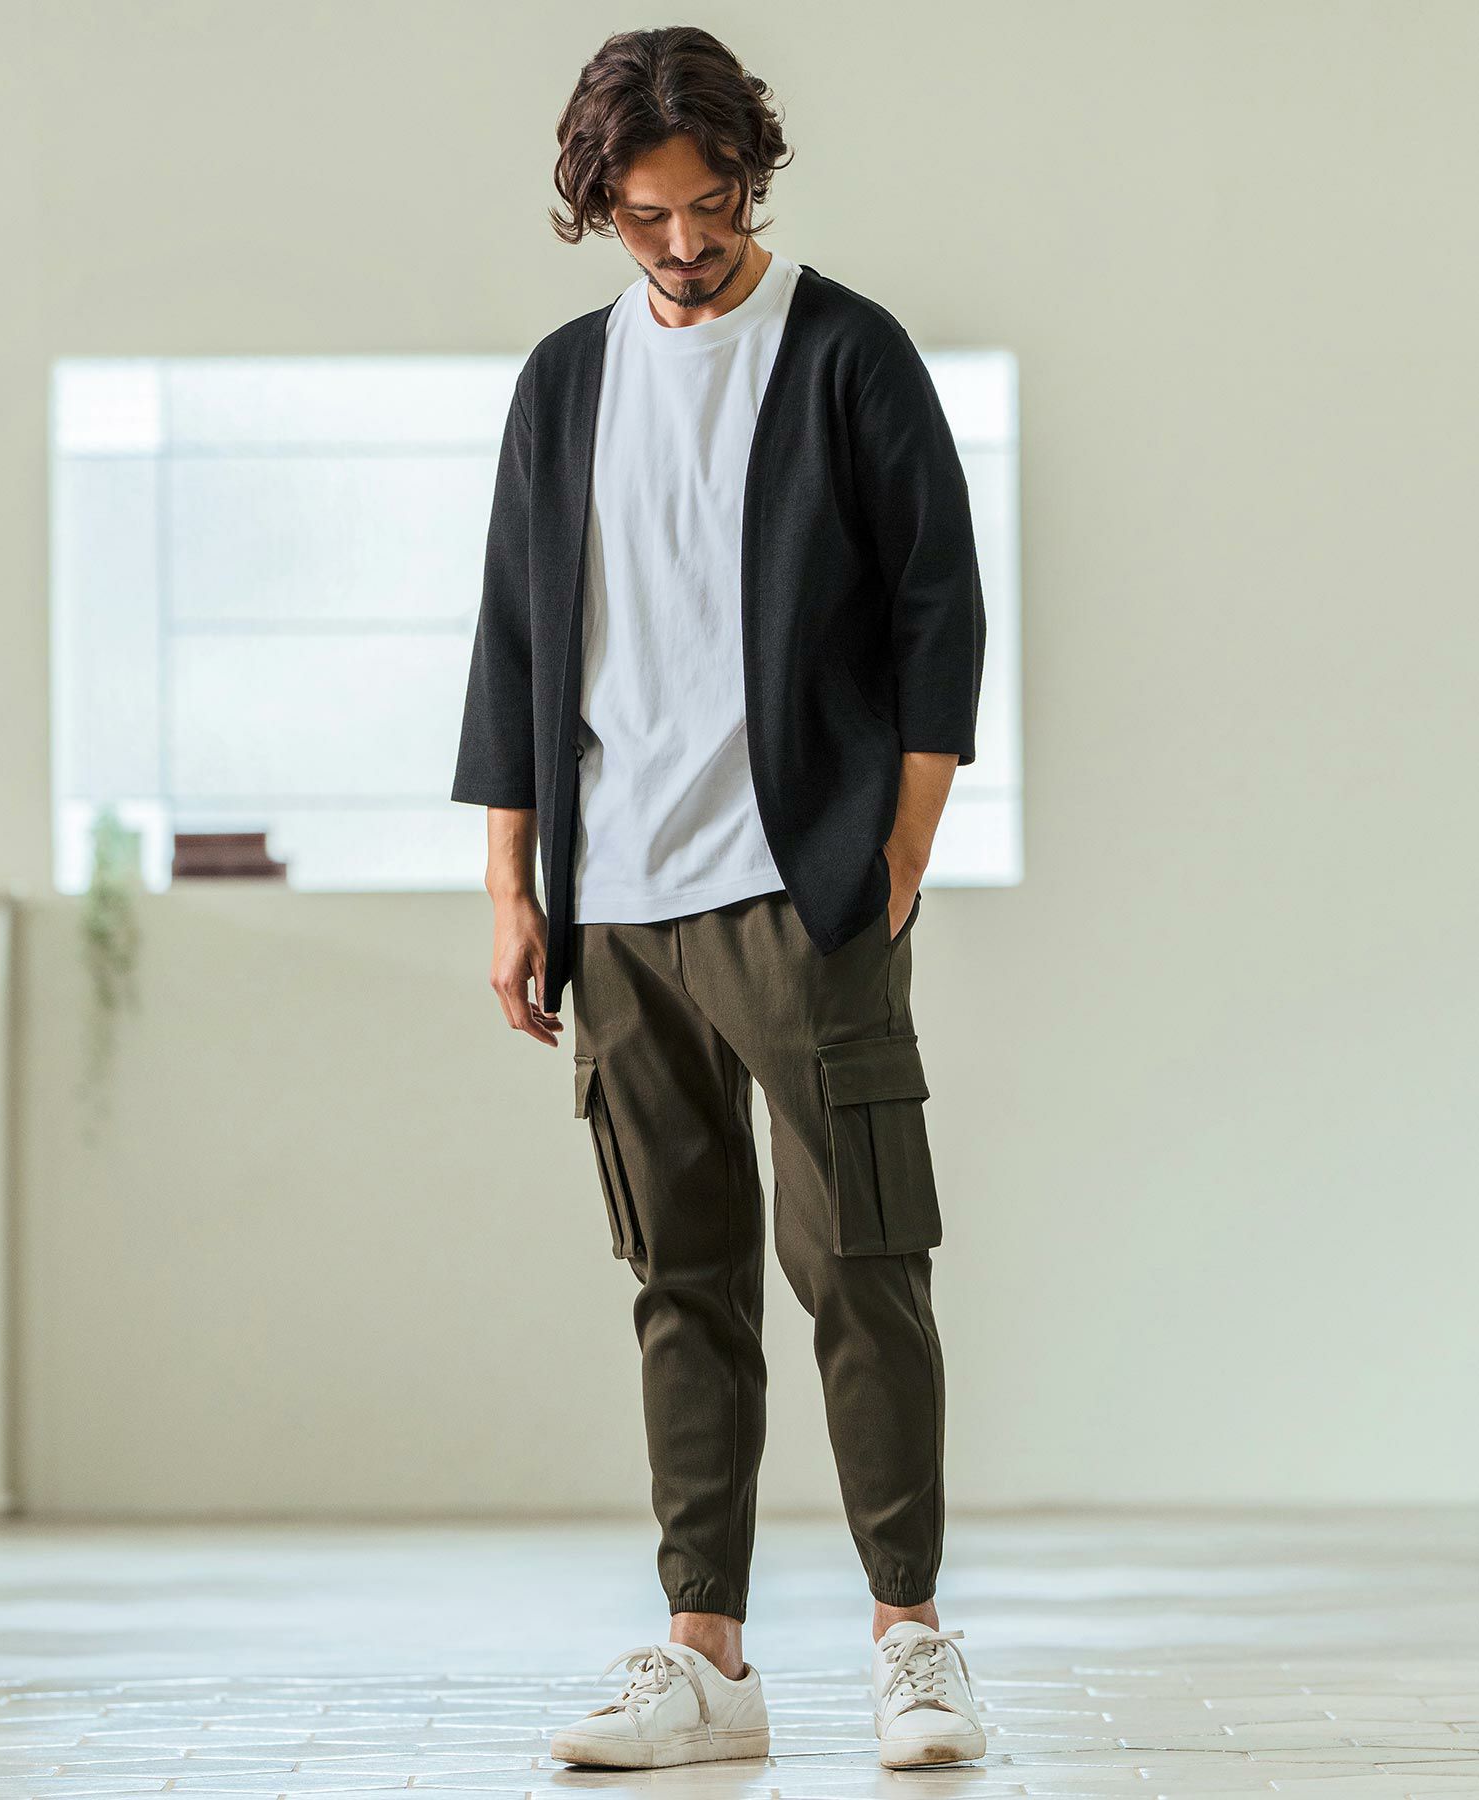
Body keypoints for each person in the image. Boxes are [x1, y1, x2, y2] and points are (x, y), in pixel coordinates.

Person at [452, 24, 987, 1773]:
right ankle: (707, 1660)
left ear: (753, 178)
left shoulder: (844, 351)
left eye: (712, 206)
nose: (684, 245)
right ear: (597, 205)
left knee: (864, 1264)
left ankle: (914, 1644)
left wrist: (901, 847)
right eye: (646, 217)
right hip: (617, 908)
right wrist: (515, 886)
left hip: (801, 893)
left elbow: (939, 610)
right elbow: (515, 642)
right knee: (680, 1279)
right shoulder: (565, 382)